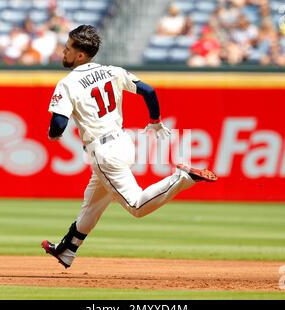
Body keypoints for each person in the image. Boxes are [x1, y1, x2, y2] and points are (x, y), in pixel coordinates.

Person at [41, 25, 218, 269]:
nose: (64, 51)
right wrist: (154, 121)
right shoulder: (111, 71)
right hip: (123, 142)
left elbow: (58, 124)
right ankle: (67, 251)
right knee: (92, 203)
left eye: (68, 48)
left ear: (80, 55)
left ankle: (182, 178)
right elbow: (148, 90)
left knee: (136, 206)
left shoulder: (68, 83)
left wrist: (53, 134)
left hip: (103, 151)